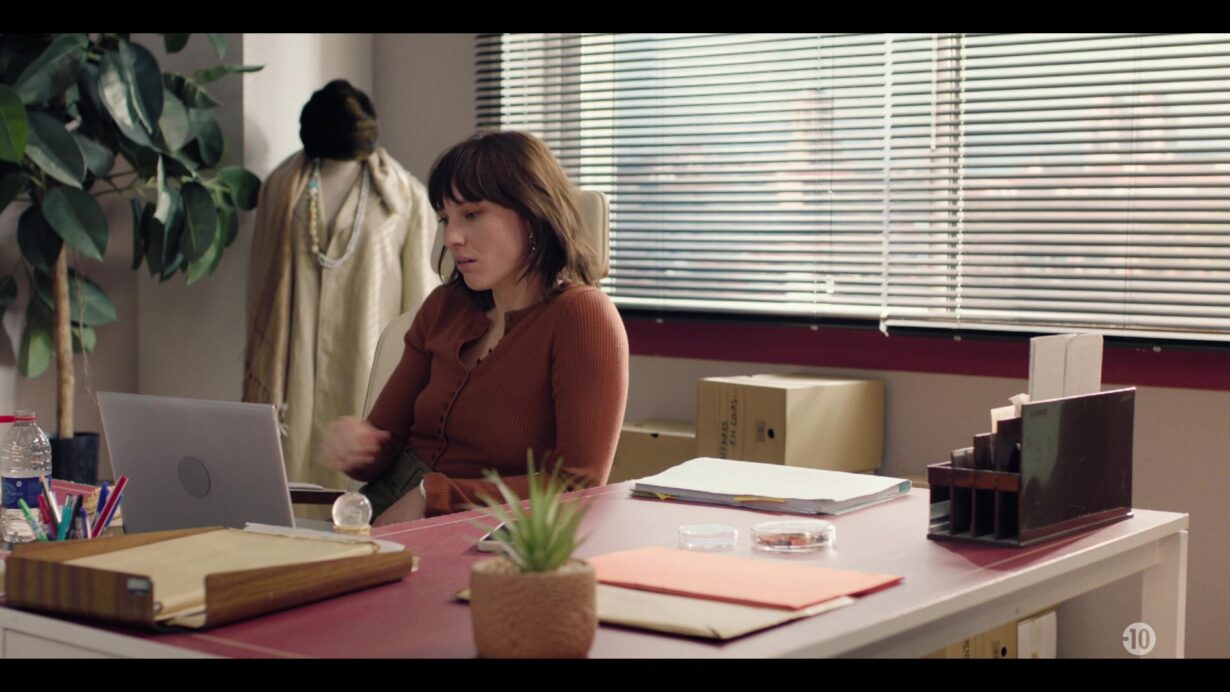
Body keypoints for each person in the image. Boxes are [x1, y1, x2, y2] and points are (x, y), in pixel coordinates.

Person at [318, 131, 629, 524]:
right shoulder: (443, 307)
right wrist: (356, 447)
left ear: (532, 214)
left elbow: (578, 485)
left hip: (485, 531)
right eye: (445, 219)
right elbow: (384, 443)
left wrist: (436, 496)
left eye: (472, 214)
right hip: (379, 513)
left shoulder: (582, 317)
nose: (451, 238)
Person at [244, 80, 439, 491]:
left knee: (357, 484)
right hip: (294, 365)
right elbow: (261, 284)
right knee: (292, 483)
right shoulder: (281, 189)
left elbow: (420, 302)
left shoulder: (404, 197)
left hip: (367, 361)